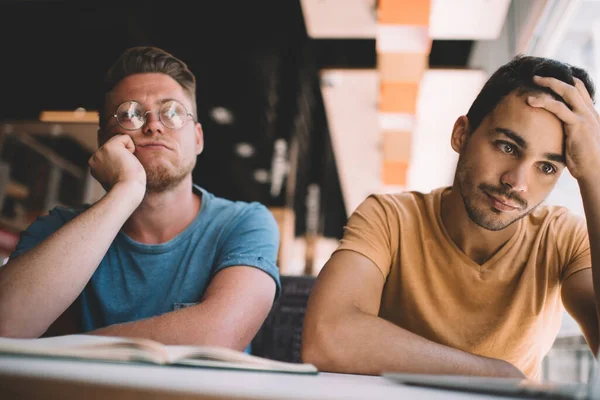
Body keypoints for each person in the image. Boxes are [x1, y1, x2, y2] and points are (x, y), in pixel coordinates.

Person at [302, 55, 600, 381]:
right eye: (507, 147)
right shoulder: (390, 219)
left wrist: (594, 174)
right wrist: (493, 373)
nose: (517, 183)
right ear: (461, 134)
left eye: (546, 167)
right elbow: (327, 336)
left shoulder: (563, 238)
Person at [0, 46, 281, 352]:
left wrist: (64, 348)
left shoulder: (244, 222)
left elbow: (220, 335)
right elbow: (6, 326)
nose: (153, 125)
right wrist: (127, 190)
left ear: (198, 138)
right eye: (130, 114)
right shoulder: (57, 227)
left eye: (172, 112)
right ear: (104, 141)